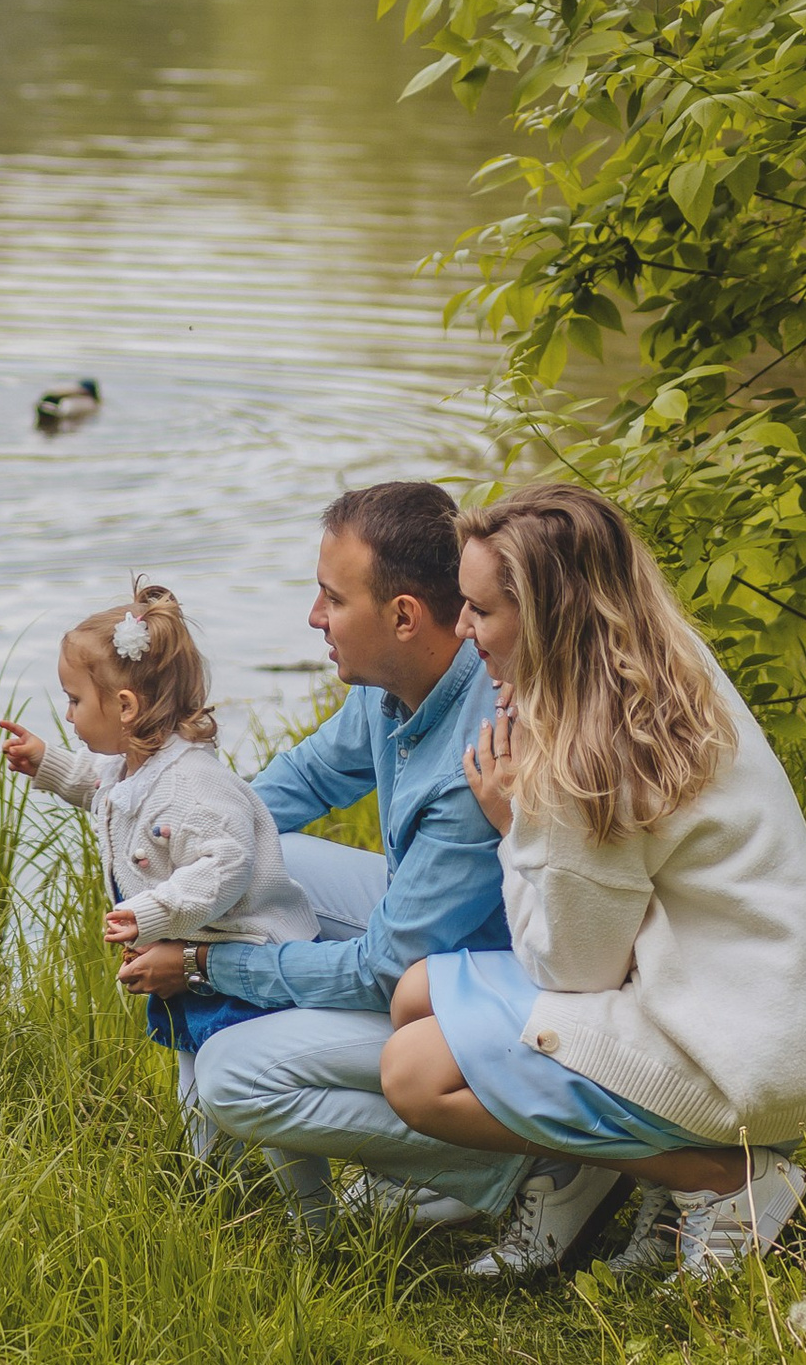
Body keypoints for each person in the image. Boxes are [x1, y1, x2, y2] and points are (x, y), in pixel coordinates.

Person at [381, 483, 806, 1283]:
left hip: (734, 1056)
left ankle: (721, 1180)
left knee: (415, 1074)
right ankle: (588, 1169)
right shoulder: (658, 666)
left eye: (480, 612)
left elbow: (571, 968)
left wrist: (513, 825)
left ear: (548, 617)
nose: (461, 630)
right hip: (767, 1015)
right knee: (417, 991)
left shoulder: (592, 757)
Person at [114, 480, 551, 1242]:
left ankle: (513, 1165)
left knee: (234, 1076)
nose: (315, 618)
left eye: (331, 598)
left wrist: (204, 968)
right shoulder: (401, 686)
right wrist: (178, 850)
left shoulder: (473, 757)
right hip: (437, 944)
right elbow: (298, 784)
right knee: (266, 868)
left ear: (403, 616)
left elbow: (386, 970)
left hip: (500, 987)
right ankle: (424, 1151)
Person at [0, 577, 313, 1116]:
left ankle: (305, 1198)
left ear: (124, 706)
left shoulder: (193, 785)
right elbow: (97, 786)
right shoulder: (132, 766)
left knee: (254, 1084)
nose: (69, 714)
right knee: (195, 1079)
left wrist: (149, 911)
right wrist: (44, 761)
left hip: (246, 957)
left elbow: (225, 865)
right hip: (193, 956)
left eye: (75, 700)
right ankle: (207, 1174)